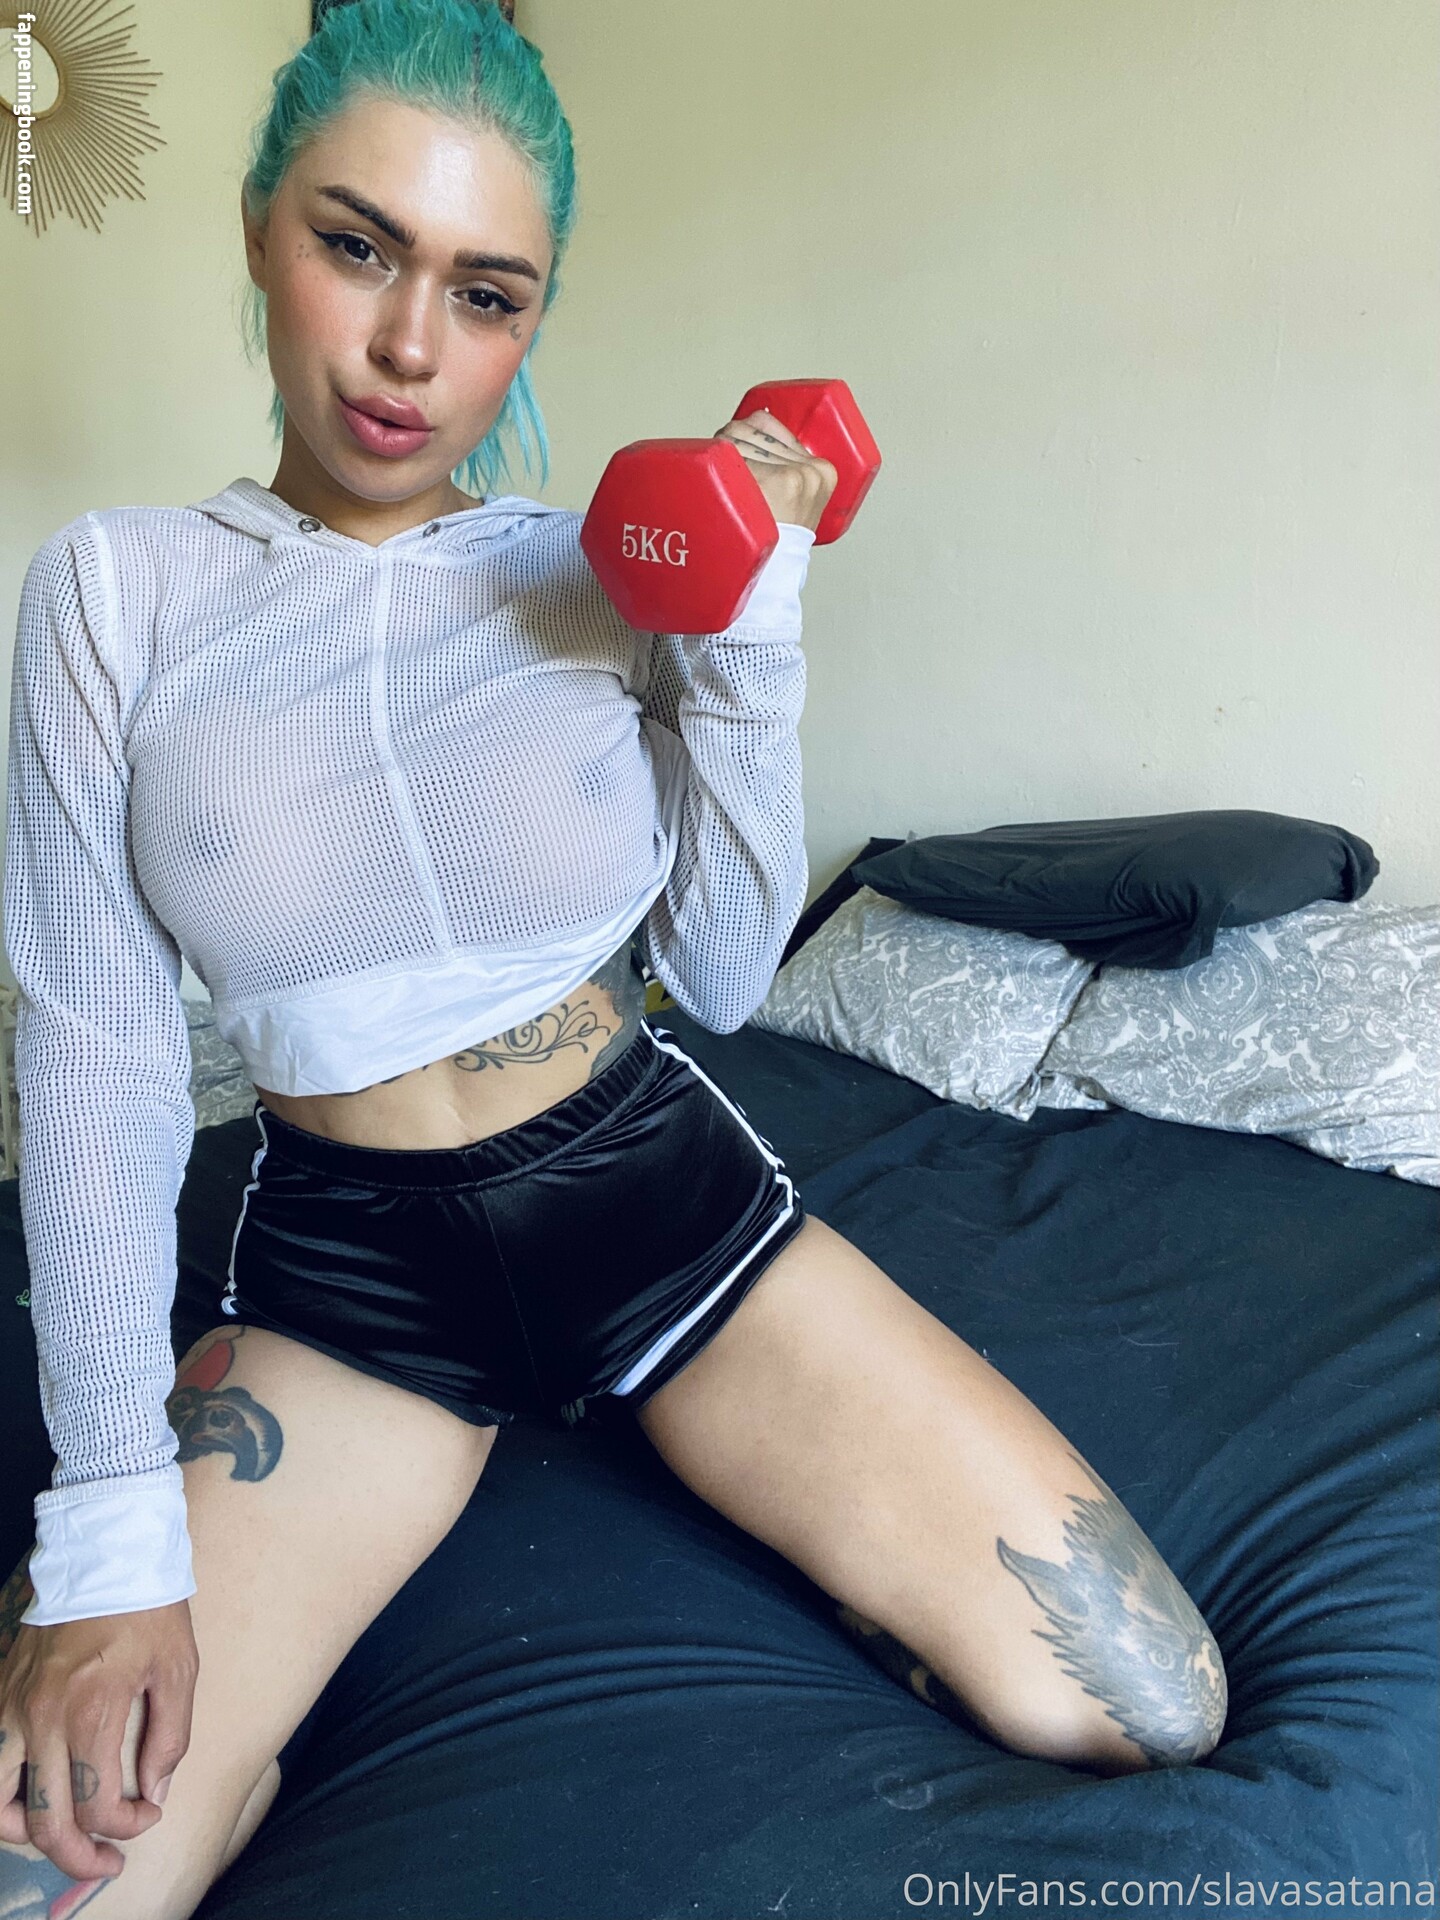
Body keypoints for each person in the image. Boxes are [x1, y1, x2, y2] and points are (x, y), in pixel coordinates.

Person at [0, 0, 1227, 1911]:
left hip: (660, 1207)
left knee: (1149, 1704)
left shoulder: (607, 568)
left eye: (487, 294)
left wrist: (752, 615)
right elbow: (93, 1057)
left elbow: (726, 975)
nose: (412, 347)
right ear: (258, 228)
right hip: (352, 1287)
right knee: (54, 1879)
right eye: (357, 246)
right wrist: (106, 1548)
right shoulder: (117, 592)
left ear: (534, 321)